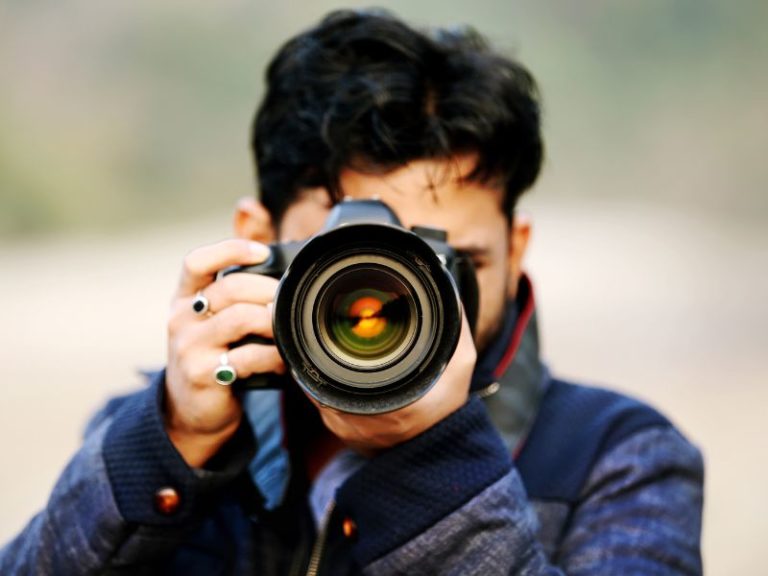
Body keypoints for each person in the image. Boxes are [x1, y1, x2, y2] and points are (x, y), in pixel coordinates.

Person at [0, 9, 704, 575]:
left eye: (447, 264)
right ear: (256, 238)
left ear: (516, 251)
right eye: (347, 269)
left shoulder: (618, 457)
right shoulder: (160, 427)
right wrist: (169, 446)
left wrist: (432, 460)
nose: (394, 308)